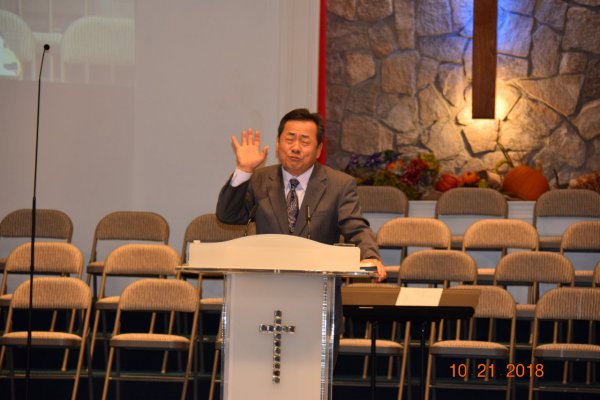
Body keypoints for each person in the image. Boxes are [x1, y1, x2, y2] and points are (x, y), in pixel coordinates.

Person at [216, 107, 386, 281]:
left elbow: (356, 227)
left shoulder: (339, 185)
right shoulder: (259, 180)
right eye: (289, 140)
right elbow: (228, 215)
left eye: (305, 142)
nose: (296, 148)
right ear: (277, 143)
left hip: (319, 285)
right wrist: (244, 170)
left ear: (318, 150)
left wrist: (370, 256)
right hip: (267, 282)